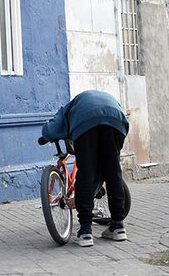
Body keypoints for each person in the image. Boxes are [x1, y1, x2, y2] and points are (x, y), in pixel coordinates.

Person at [38, 89, 130, 248]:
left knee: (85, 174)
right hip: (117, 121)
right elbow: (100, 172)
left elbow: (51, 129)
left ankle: (86, 231)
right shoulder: (101, 97)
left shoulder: (69, 107)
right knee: (113, 172)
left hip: (86, 123)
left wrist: (45, 137)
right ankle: (118, 226)